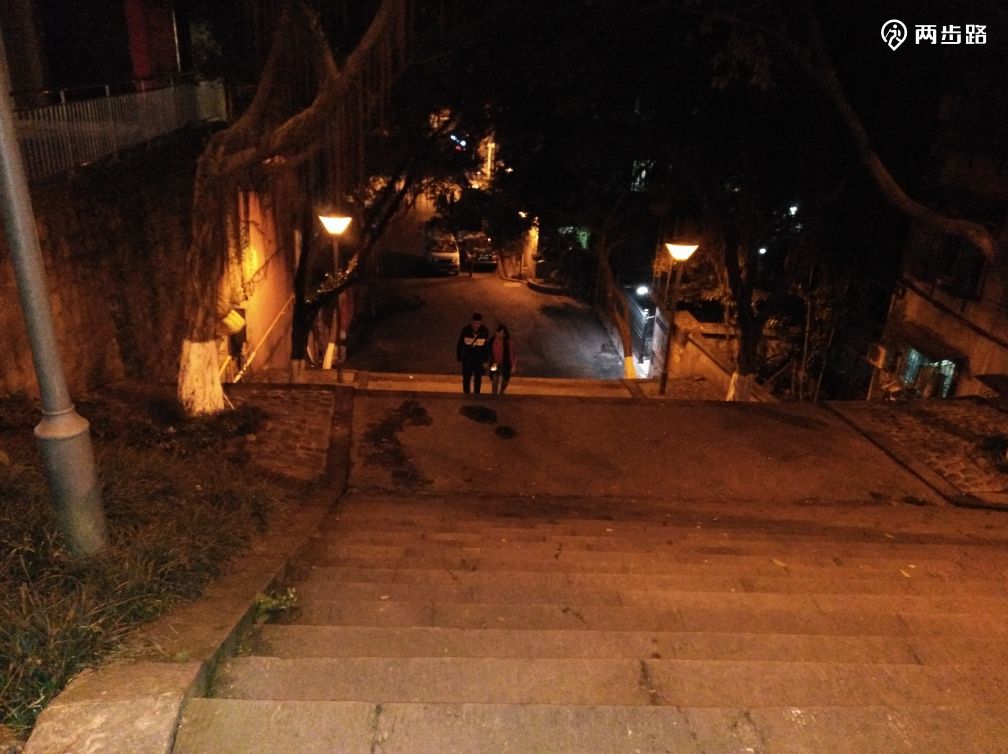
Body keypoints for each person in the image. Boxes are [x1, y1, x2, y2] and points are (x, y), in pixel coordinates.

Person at [456, 312, 490, 394]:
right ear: (471, 322)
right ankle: (466, 395)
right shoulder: (465, 330)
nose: (476, 325)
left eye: (478, 323)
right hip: (467, 358)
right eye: (474, 323)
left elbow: (486, 347)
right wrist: (459, 357)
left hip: (479, 359)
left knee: (478, 378)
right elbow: (460, 344)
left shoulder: (484, 331)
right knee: (466, 378)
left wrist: (485, 360)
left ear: (481, 323)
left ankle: (476, 395)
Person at [488, 323, 517, 395]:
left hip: (505, 364)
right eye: (498, 332)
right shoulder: (491, 341)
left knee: (505, 381)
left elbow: (512, 355)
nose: (499, 334)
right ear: (496, 332)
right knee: (495, 380)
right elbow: (487, 352)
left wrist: (513, 366)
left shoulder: (508, 343)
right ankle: (494, 395)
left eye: (502, 333)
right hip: (494, 364)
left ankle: (501, 391)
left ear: (504, 334)